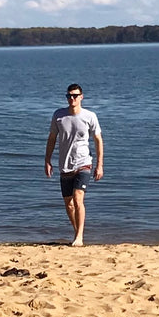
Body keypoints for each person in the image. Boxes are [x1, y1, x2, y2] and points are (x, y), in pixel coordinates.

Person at [44, 83, 104, 247]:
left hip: (83, 164)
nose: (72, 98)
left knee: (78, 200)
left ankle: (79, 237)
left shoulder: (89, 116)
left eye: (75, 96)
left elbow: (98, 140)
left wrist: (99, 165)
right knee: (68, 204)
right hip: (65, 166)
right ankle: (77, 230)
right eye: (69, 96)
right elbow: (52, 139)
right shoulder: (59, 115)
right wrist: (47, 160)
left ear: (81, 97)